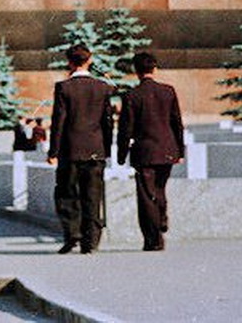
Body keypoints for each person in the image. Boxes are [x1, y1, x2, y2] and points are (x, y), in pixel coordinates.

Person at [117, 50, 186, 251]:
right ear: (154, 69)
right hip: (167, 150)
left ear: (136, 71)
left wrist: (121, 155)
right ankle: (162, 216)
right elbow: (177, 123)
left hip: (144, 152)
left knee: (147, 194)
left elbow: (125, 128)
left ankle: (153, 239)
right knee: (160, 188)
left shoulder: (132, 95)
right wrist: (180, 151)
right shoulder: (168, 91)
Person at [49, 42, 114, 254]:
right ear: (90, 60)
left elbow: (59, 121)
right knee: (93, 196)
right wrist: (107, 149)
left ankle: (72, 234)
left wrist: (53, 152)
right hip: (96, 150)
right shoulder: (103, 87)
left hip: (70, 150)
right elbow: (107, 122)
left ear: (69, 62)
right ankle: (91, 242)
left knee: (66, 193)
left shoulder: (63, 87)